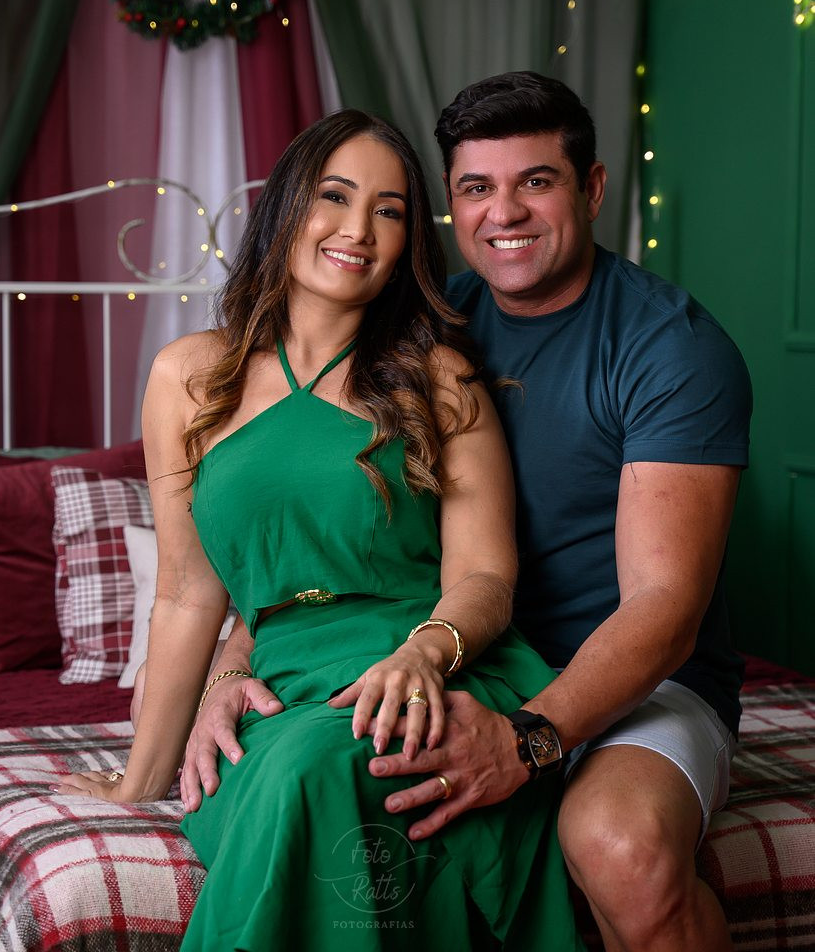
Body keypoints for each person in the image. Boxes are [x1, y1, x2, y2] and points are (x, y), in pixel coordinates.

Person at [191, 74, 752, 952]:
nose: (504, 213)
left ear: (591, 188)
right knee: (334, 796)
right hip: (456, 664)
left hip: (631, 689)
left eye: (536, 181)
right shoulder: (421, 330)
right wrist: (229, 672)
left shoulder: (667, 348)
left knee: (618, 850)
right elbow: (315, 552)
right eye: (476, 188)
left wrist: (527, 741)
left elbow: (664, 610)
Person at [56, 110, 583, 951]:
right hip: (281, 680)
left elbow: (484, 576)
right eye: (334, 197)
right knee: (286, 765)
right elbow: (188, 594)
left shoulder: (440, 380)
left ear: (407, 242)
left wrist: (423, 653)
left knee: (317, 767)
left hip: (424, 665)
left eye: (388, 210)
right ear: (287, 208)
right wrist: (141, 778)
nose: (357, 229)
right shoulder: (188, 376)